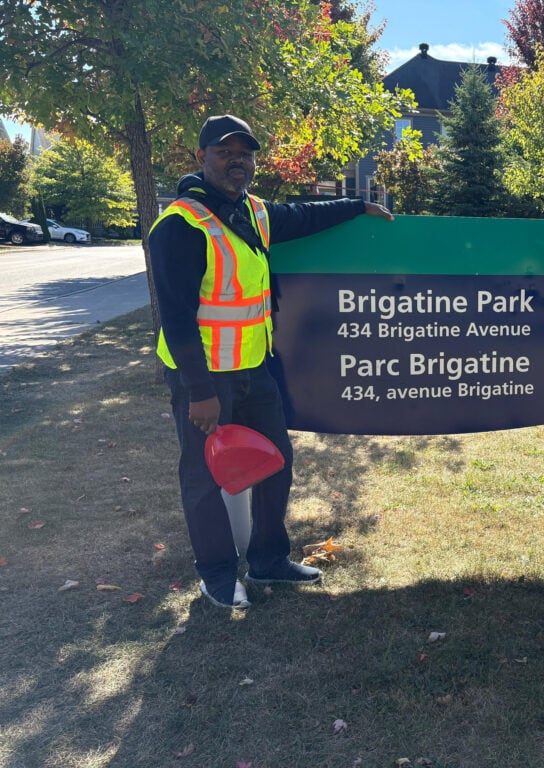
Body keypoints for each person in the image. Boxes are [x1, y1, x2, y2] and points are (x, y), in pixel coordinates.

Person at [150, 114, 394, 608]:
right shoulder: (180, 224)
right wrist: (199, 391)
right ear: (201, 157)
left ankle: (268, 560)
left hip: (253, 370)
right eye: (225, 152)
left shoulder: (253, 212)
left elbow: (302, 216)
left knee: (274, 461)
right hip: (206, 378)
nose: (237, 161)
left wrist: (357, 206)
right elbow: (175, 318)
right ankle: (217, 574)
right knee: (203, 477)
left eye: (245, 153)